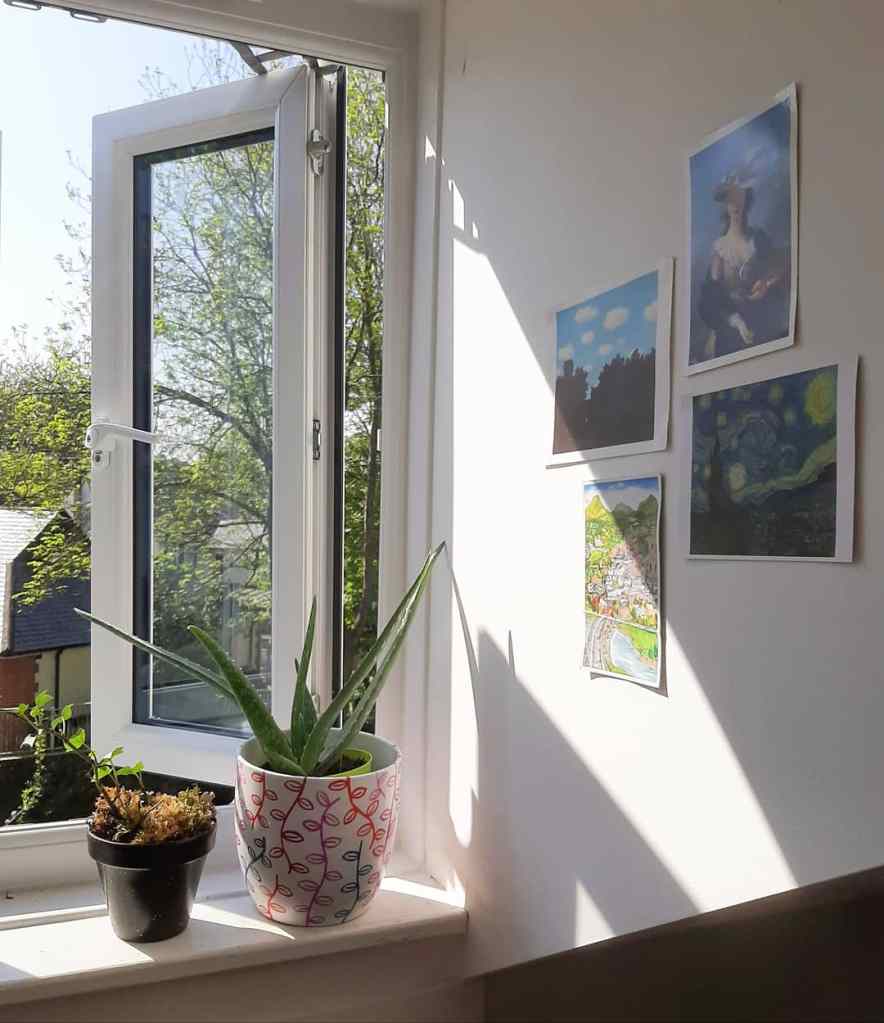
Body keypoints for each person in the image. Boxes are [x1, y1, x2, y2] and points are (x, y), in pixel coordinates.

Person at [697, 177, 788, 358]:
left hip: (762, 319)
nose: (736, 204)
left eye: (740, 198)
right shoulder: (720, 249)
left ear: (747, 201)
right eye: (731, 199)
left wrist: (766, 283)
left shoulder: (759, 238)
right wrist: (735, 321)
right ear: (726, 205)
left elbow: (779, 268)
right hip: (731, 326)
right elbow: (710, 299)